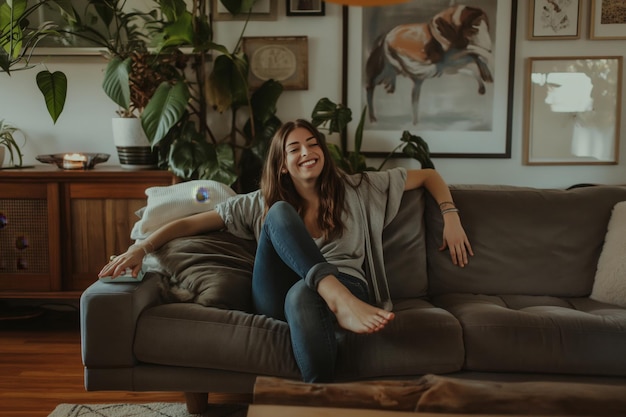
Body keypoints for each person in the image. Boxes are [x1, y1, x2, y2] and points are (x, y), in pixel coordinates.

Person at [99, 119, 473, 383]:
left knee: (302, 293)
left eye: (312, 144)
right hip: (275, 295)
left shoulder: (359, 188)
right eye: (295, 148)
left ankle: (317, 399)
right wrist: (141, 247)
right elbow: (189, 223)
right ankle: (335, 297)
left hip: (343, 285)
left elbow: (429, 176)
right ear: (281, 165)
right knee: (278, 213)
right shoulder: (261, 203)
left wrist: (450, 215)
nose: (307, 152)